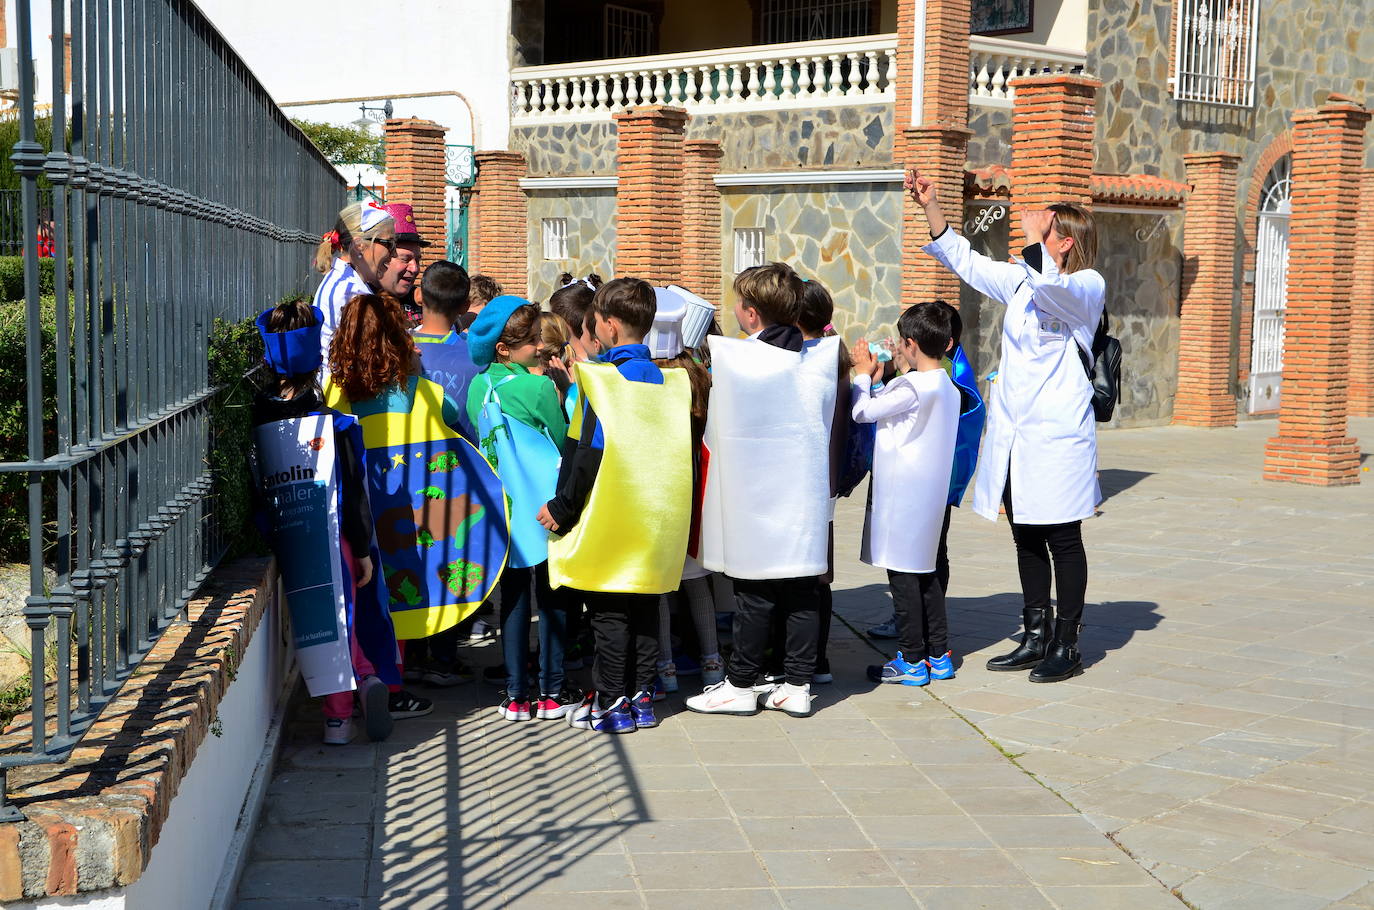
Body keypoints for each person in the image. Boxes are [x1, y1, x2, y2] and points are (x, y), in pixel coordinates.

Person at [911, 166, 1105, 683]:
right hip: (1016, 432)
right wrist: (931, 206)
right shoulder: (1022, 280)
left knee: (1062, 538)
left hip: (1058, 436)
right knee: (1024, 535)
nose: (1034, 232)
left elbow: (1056, 295)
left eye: (1048, 229)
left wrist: (1037, 243)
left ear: (1066, 242)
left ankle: (1068, 641)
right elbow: (966, 263)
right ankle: (1035, 633)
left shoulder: (1086, 286)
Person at [326, 292, 510, 717]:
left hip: (358, 506)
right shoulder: (423, 391)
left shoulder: (334, 390)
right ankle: (397, 680)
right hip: (411, 510)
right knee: (408, 582)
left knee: (367, 597)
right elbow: (453, 422)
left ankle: (365, 676)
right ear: (397, 340)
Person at [538, 278, 694, 734]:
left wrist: (562, 507)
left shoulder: (600, 380)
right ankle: (642, 697)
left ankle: (610, 700)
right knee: (647, 609)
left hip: (612, 513)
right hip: (657, 516)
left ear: (606, 324)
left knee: (608, 615)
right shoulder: (672, 381)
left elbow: (585, 453)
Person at [687, 263, 840, 719]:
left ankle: (741, 683)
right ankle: (796, 684)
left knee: (754, 594)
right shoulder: (819, 359)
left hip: (754, 490)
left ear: (751, 314)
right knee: (801, 590)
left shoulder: (738, 359)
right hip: (804, 491)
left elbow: (718, 430)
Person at [250, 300, 399, 744]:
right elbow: (352, 492)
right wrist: (363, 546)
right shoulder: (332, 423)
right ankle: (349, 702)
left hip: (286, 536)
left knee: (315, 623)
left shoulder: (258, 415)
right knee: (343, 619)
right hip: (335, 538)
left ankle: (350, 698)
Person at [466, 296, 573, 721]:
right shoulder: (539, 386)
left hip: (504, 506)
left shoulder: (478, 386)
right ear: (504, 348)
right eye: (530, 341)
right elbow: (565, 439)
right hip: (546, 507)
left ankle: (515, 695)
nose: (538, 348)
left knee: (511, 600)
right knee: (553, 596)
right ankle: (552, 688)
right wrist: (562, 390)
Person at [851, 303, 961, 686]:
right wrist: (887, 382)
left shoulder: (913, 385)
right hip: (931, 495)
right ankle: (939, 654)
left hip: (902, 495)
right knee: (927, 574)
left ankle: (911, 659)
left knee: (902, 577)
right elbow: (899, 413)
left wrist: (864, 376)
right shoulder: (947, 384)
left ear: (910, 344)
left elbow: (862, 412)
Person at [645, 286, 724, 694]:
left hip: (658, 489)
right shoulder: (697, 375)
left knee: (660, 582)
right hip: (694, 484)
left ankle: (665, 667)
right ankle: (712, 662)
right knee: (697, 580)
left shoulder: (647, 378)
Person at [794, 278, 852, 685]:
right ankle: (816, 660)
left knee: (807, 577)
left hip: (808, 478)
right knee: (819, 574)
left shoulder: (812, 359)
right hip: (824, 478)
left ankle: (809, 660)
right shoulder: (835, 354)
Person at [933, 300, 986, 596]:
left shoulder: (950, 378)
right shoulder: (948, 370)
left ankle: (929, 620)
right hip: (932, 477)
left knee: (933, 550)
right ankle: (918, 618)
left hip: (937, 478)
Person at [312, 202, 396, 361]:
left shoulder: (345, 280)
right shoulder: (350, 291)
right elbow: (369, 360)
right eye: (389, 243)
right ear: (359, 246)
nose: (394, 253)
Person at [379, 203, 429, 325]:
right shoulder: (364, 305)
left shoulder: (424, 304)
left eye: (417, 260)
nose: (415, 268)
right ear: (381, 258)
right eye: (405, 259)